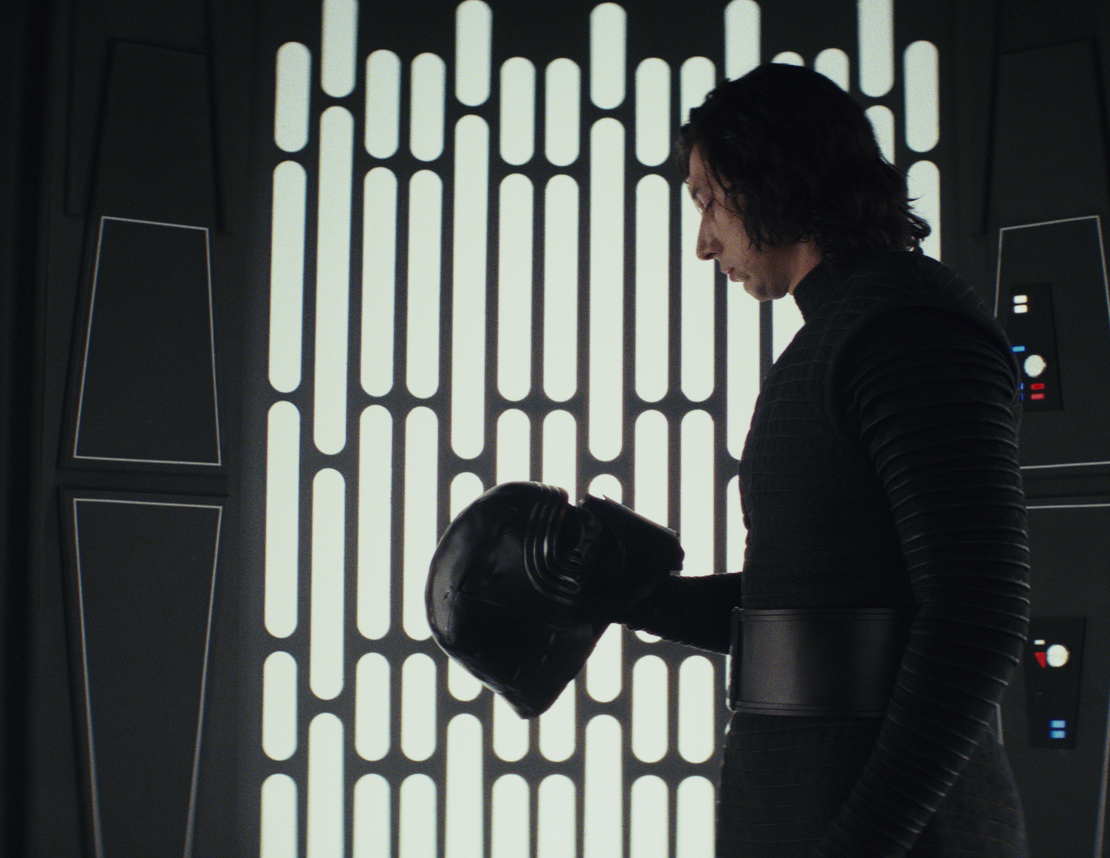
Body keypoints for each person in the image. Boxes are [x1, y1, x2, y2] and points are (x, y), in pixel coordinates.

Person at [428, 63, 1029, 858]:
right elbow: (813, 610)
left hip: (904, 832)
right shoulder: (842, 332)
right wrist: (630, 595)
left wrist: (861, 846)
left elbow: (977, 613)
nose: (705, 242)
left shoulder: (906, 328)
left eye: (708, 200)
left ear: (774, 178)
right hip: (811, 810)